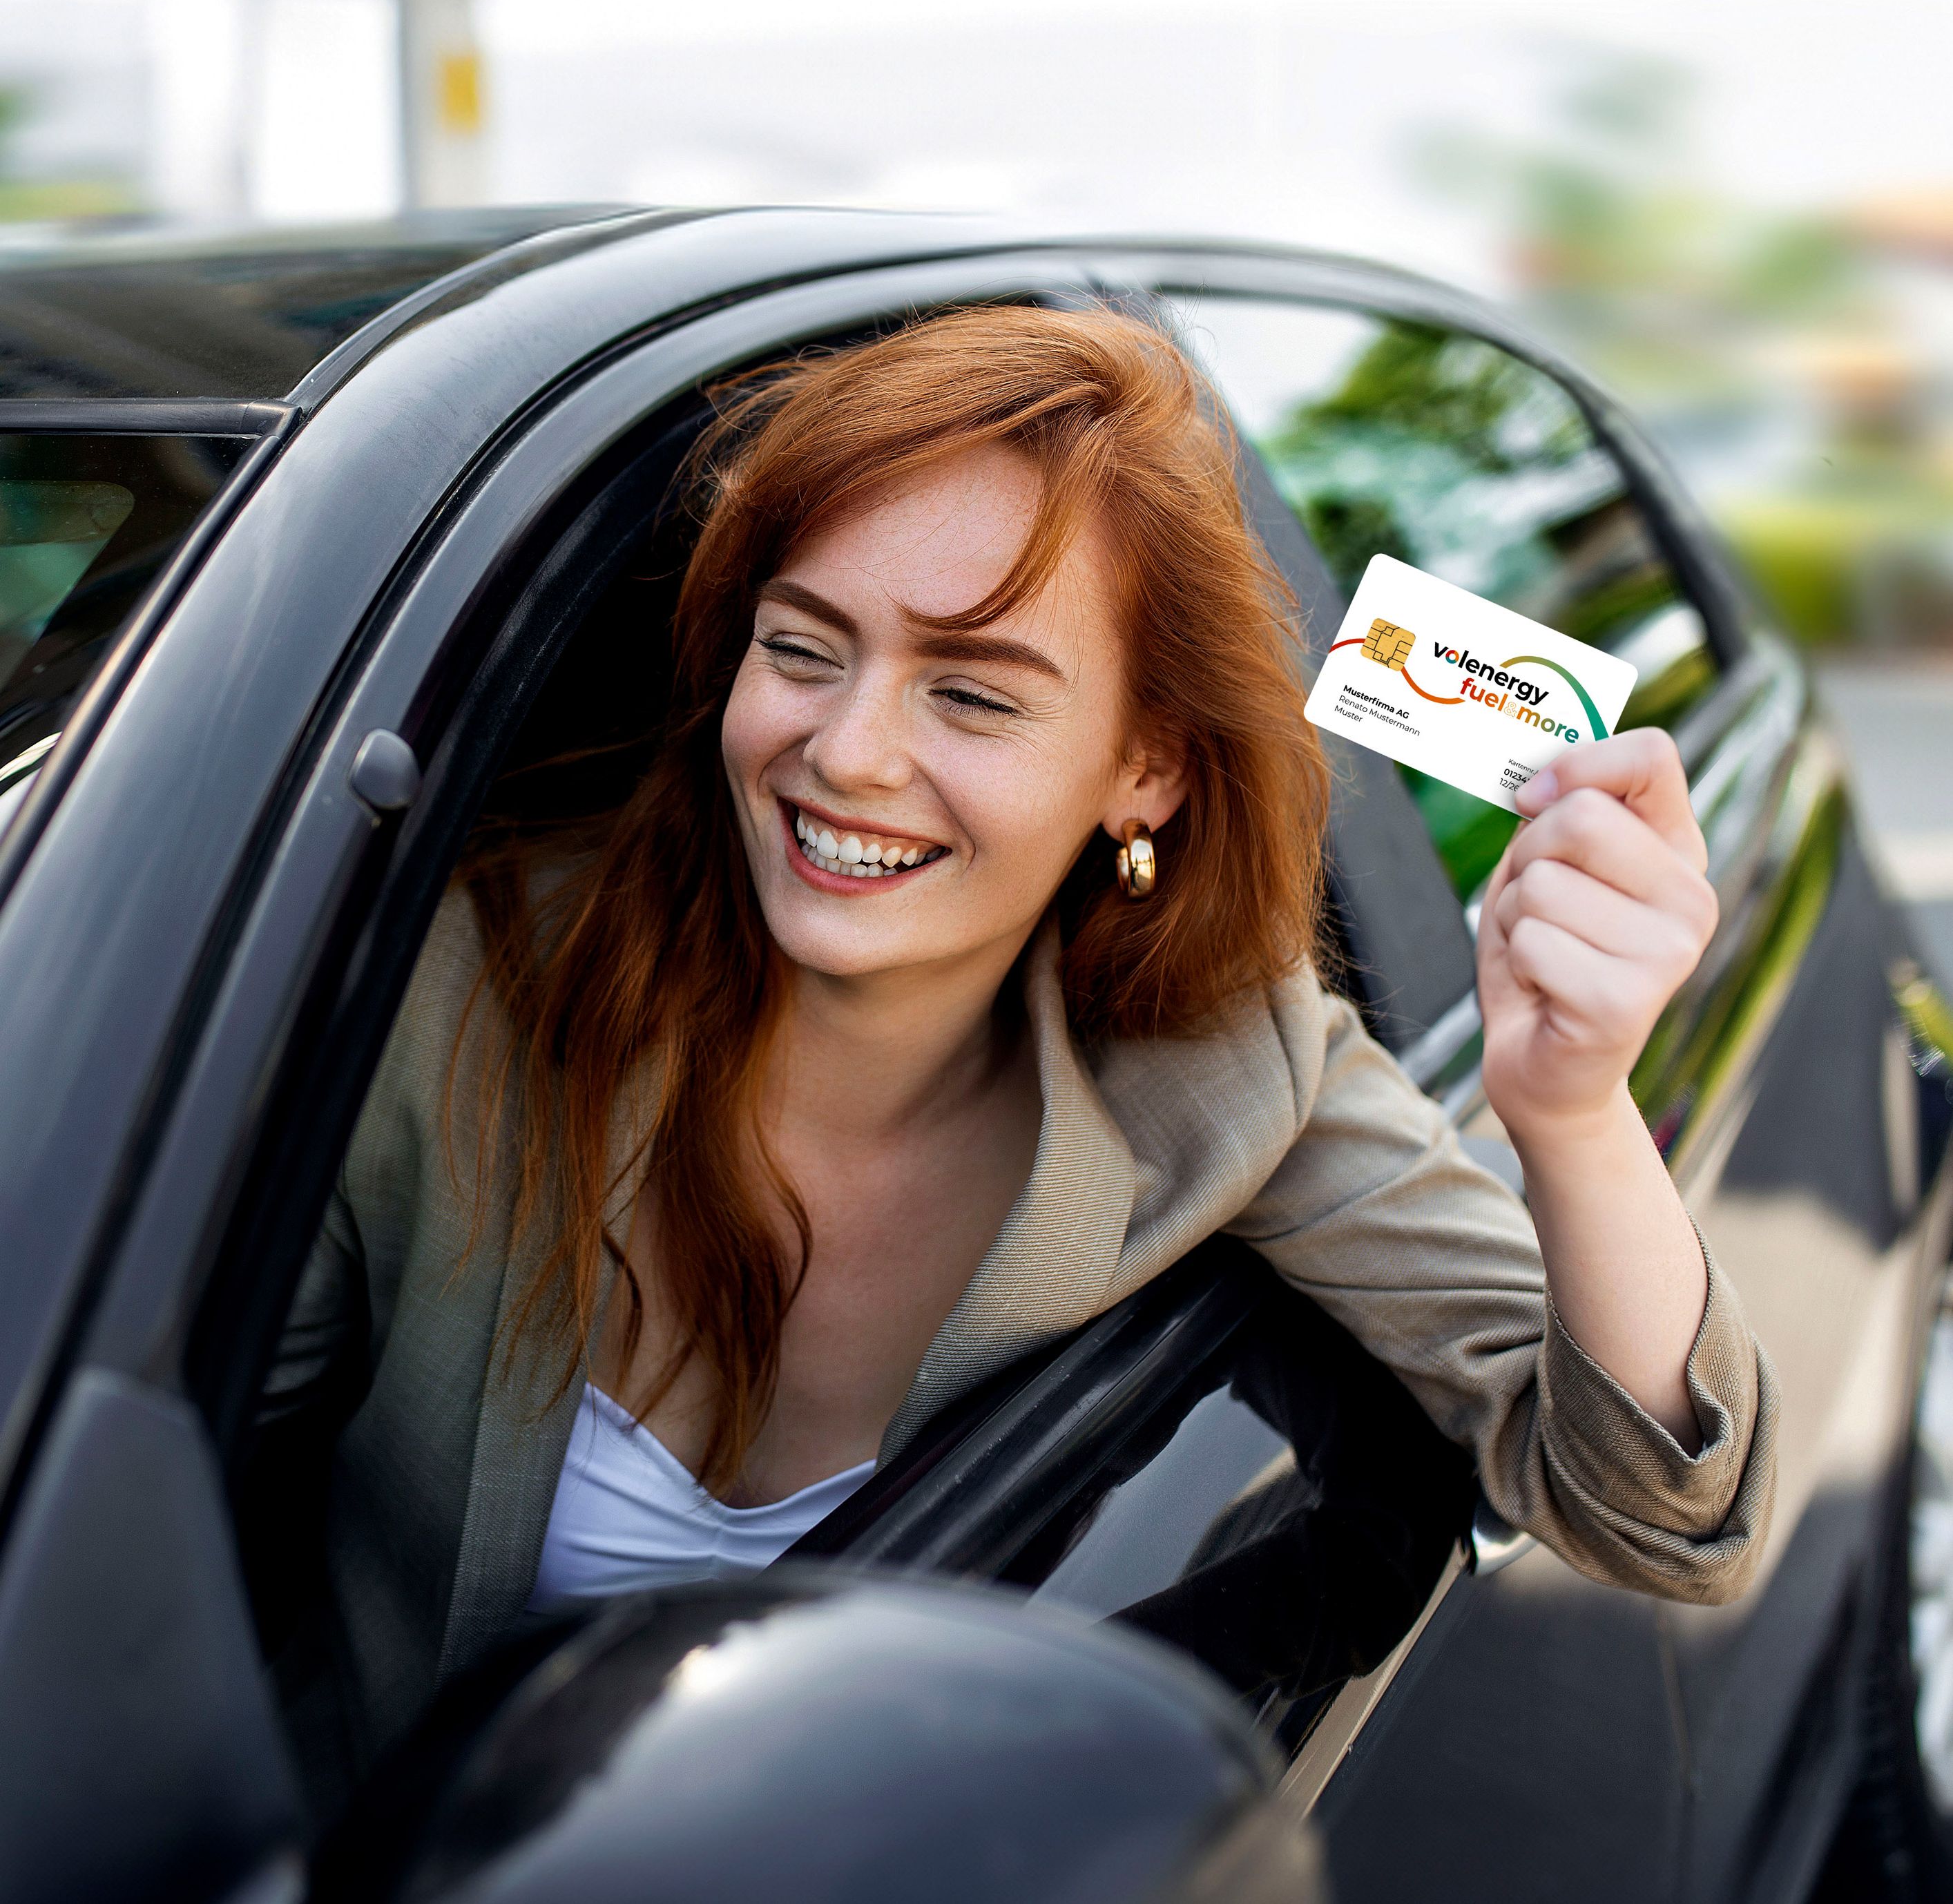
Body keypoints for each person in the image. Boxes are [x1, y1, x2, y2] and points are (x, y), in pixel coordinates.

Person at [266, 304, 1775, 1797]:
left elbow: (1660, 1511)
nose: (848, 751)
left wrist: (1571, 1112)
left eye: (972, 692)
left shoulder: (1228, 1071)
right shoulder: (465, 985)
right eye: (802, 647)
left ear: (1145, 770)